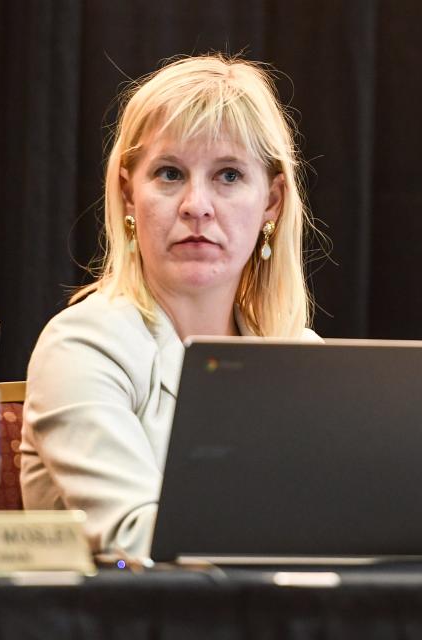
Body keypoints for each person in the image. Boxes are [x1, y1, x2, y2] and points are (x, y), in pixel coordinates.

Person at [20, 54, 322, 559]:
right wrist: (345, 534)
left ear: (271, 202)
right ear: (128, 195)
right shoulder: (80, 345)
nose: (196, 205)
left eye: (228, 176)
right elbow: (136, 535)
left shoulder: (301, 355)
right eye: (169, 173)